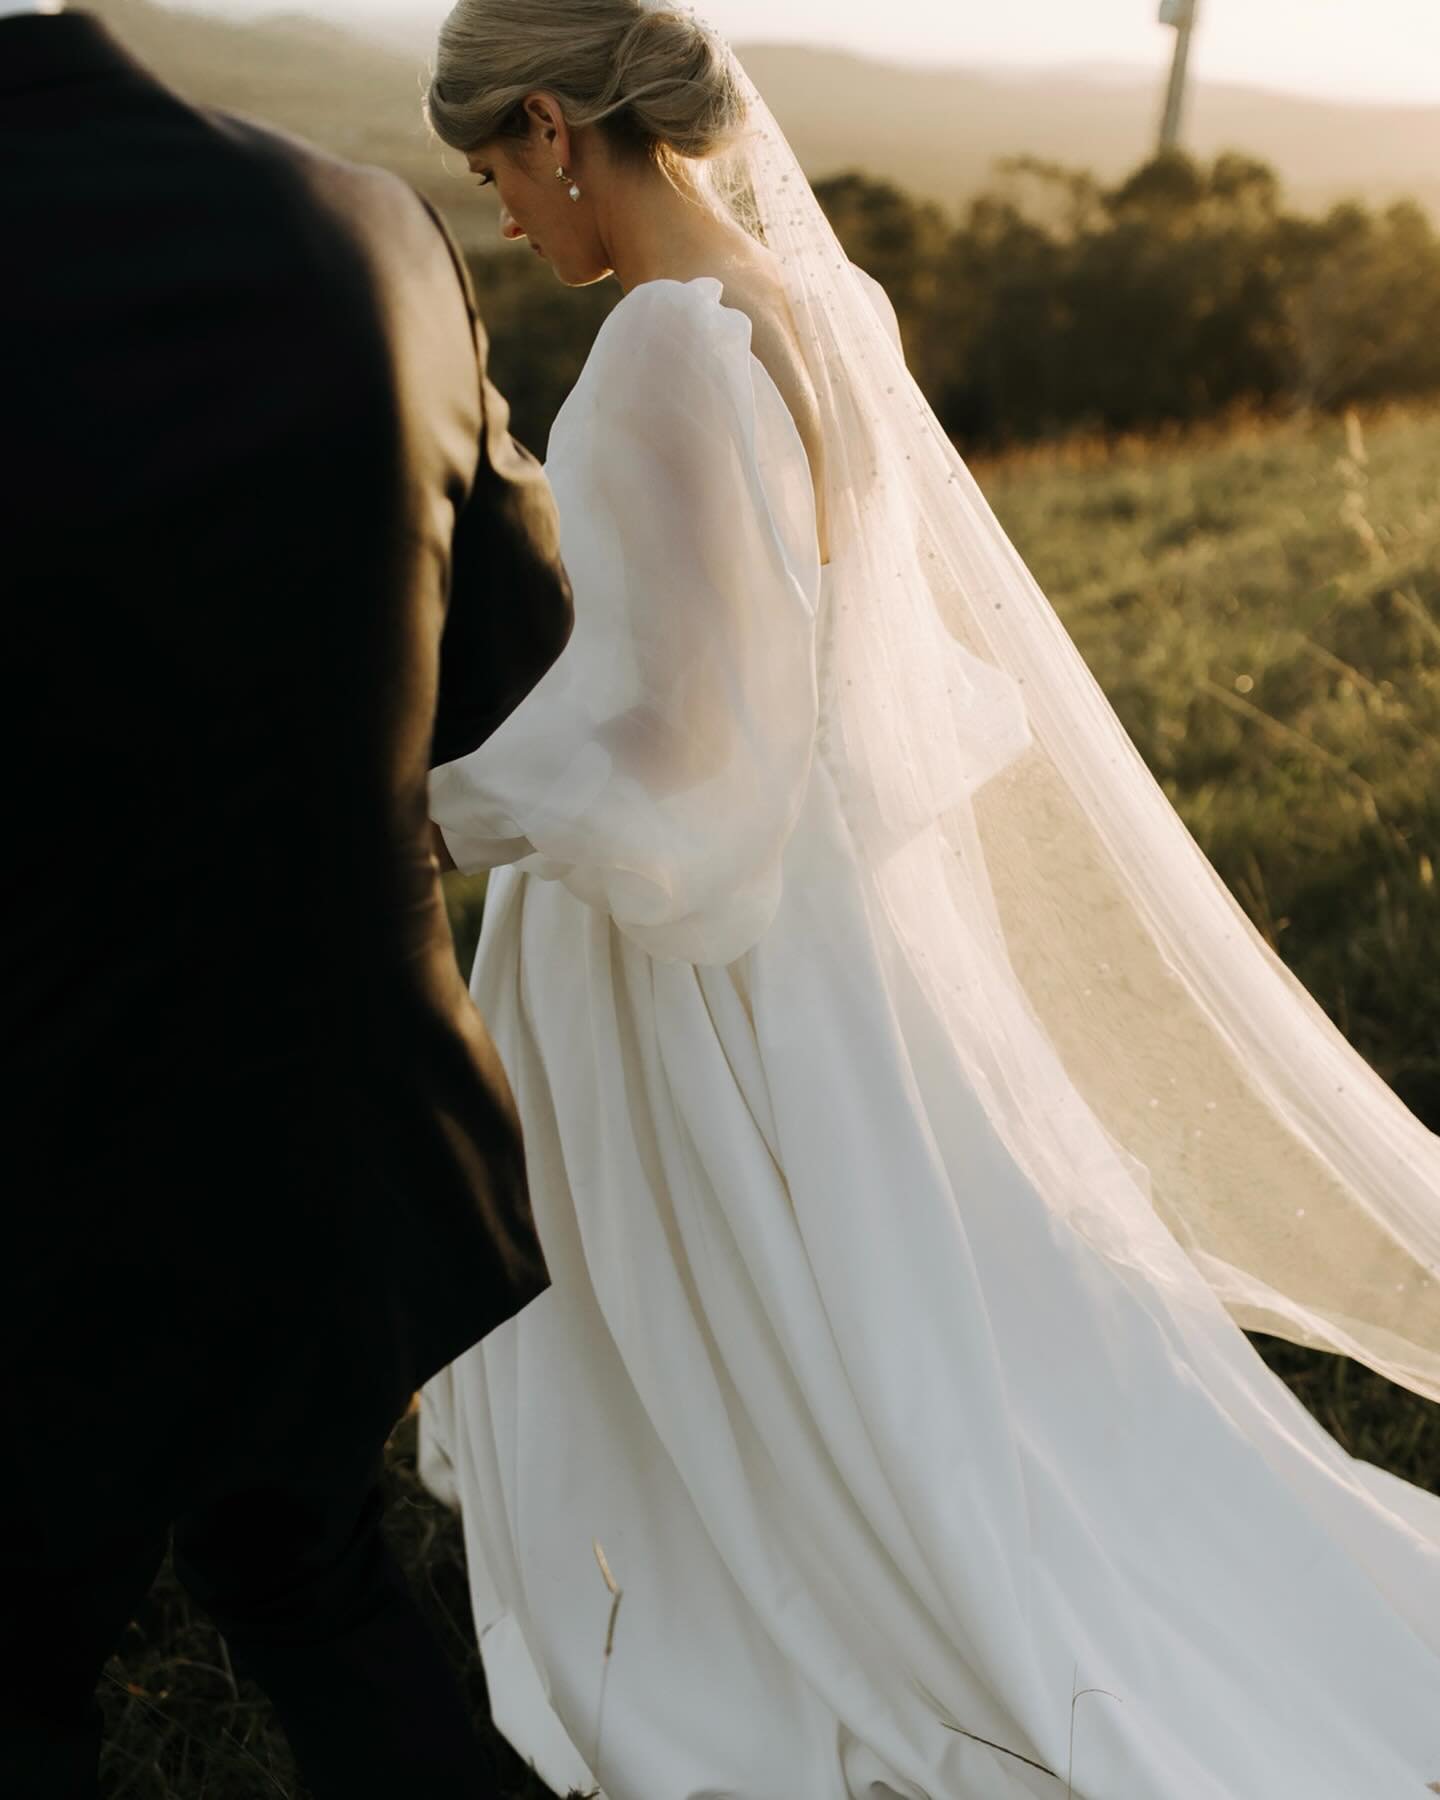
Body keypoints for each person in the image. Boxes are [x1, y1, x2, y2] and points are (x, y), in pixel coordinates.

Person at [418, 4, 1440, 1797]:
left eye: (493, 167)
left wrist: (445, 810)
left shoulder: (661, 347)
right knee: (900, 1307)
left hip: (703, 956)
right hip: (841, 927)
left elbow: (684, 748)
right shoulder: (823, 309)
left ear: (550, 121)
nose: (502, 211)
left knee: (769, 1346)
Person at [0, 6, 572, 1796]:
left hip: (32, 1160)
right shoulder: (374, 228)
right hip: (334, 1129)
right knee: (311, 1581)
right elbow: (511, 662)